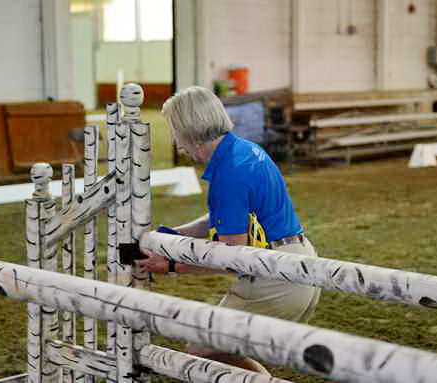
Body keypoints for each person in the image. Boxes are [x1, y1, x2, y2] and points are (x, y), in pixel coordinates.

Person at [136, 86, 321, 375]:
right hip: (301, 263)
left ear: (187, 131)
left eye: (175, 131)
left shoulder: (227, 174)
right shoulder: (245, 150)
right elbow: (226, 216)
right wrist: (175, 235)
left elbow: (230, 258)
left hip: (275, 276)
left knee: (204, 348)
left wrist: (172, 265)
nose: (176, 142)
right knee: (224, 351)